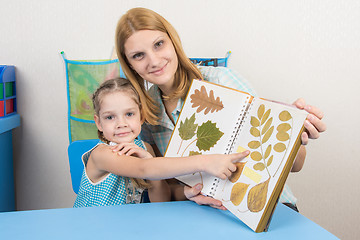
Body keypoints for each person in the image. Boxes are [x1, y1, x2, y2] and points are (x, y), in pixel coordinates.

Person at [113, 7, 326, 210]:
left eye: (159, 44)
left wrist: (293, 134)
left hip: (265, 209)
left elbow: (296, 165)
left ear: (173, 41)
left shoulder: (221, 81)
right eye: (138, 55)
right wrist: (189, 192)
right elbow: (169, 186)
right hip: (206, 213)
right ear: (130, 64)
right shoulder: (146, 113)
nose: (154, 60)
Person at [73, 78, 249, 207]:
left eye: (129, 114)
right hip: (90, 228)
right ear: (98, 123)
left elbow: (160, 200)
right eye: (110, 117)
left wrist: (187, 192)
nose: (121, 123)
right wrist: (205, 161)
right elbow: (144, 169)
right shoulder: (101, 155)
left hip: (127, 227)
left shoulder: (145, 148)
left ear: (141, 116)